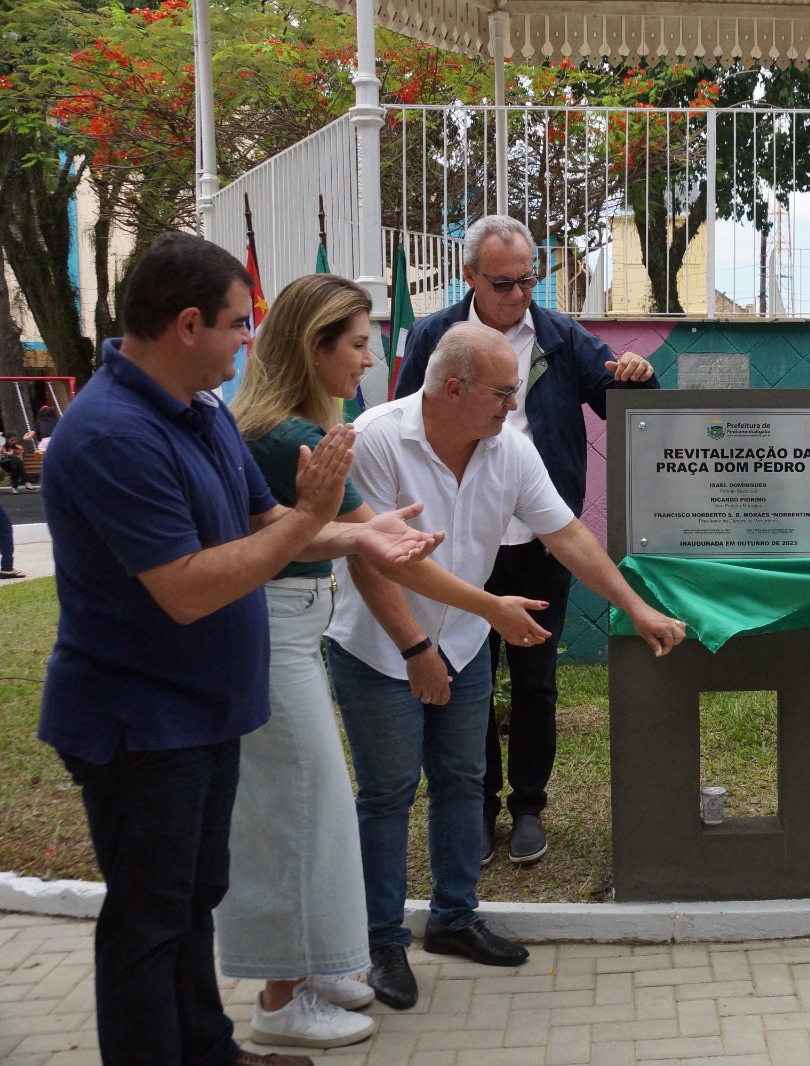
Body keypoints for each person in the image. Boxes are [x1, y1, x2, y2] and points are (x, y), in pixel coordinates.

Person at [36, 232, 439, 1066]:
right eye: (235, 324)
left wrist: (358, 538)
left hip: (207, 710)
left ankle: (208, 1050)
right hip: (141, 723)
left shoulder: (203, 413)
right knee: (151, 919)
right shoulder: (112, 434)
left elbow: (266, 525)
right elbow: (187, 587)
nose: (246, 340)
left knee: (193, 900)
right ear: (187, 325)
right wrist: (316, 517)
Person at [217, 275, 551, 1043]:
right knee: (321, 810)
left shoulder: (307, 429)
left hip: (298, 628)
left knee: (346, 804)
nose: (372, 360)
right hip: (293, 637)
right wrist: (478, 608)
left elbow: (314, 535)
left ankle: (327, 966)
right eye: (360, 344)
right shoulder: (298, 438)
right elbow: (380, 555)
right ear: (315, 347)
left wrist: (364, 536)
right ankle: (301, 985)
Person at [327, 321, 686, 1011]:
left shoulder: (509, 448)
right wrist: (416, 650)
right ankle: (381, 942)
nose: (514, 405)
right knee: (389, 793)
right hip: (379, 647)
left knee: (462, 781)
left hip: (462, 642)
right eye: (502, 393)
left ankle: (454, 919)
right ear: (453, 389)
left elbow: (568, 535)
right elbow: (370, 564)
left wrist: (637, 608)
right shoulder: (376, 439)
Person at [393, 215, 658, 868]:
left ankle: (529, 807)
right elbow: (403, 423)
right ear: (469, 277)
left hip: (542, 539)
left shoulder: (561, 336)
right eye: (503, 283)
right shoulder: (434, 336)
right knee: (467, 674)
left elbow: (623, 405)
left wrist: (638, 375)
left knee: (536, 681)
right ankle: (479, 806)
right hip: (460, 539)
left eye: (527, 281)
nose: (518, 295)